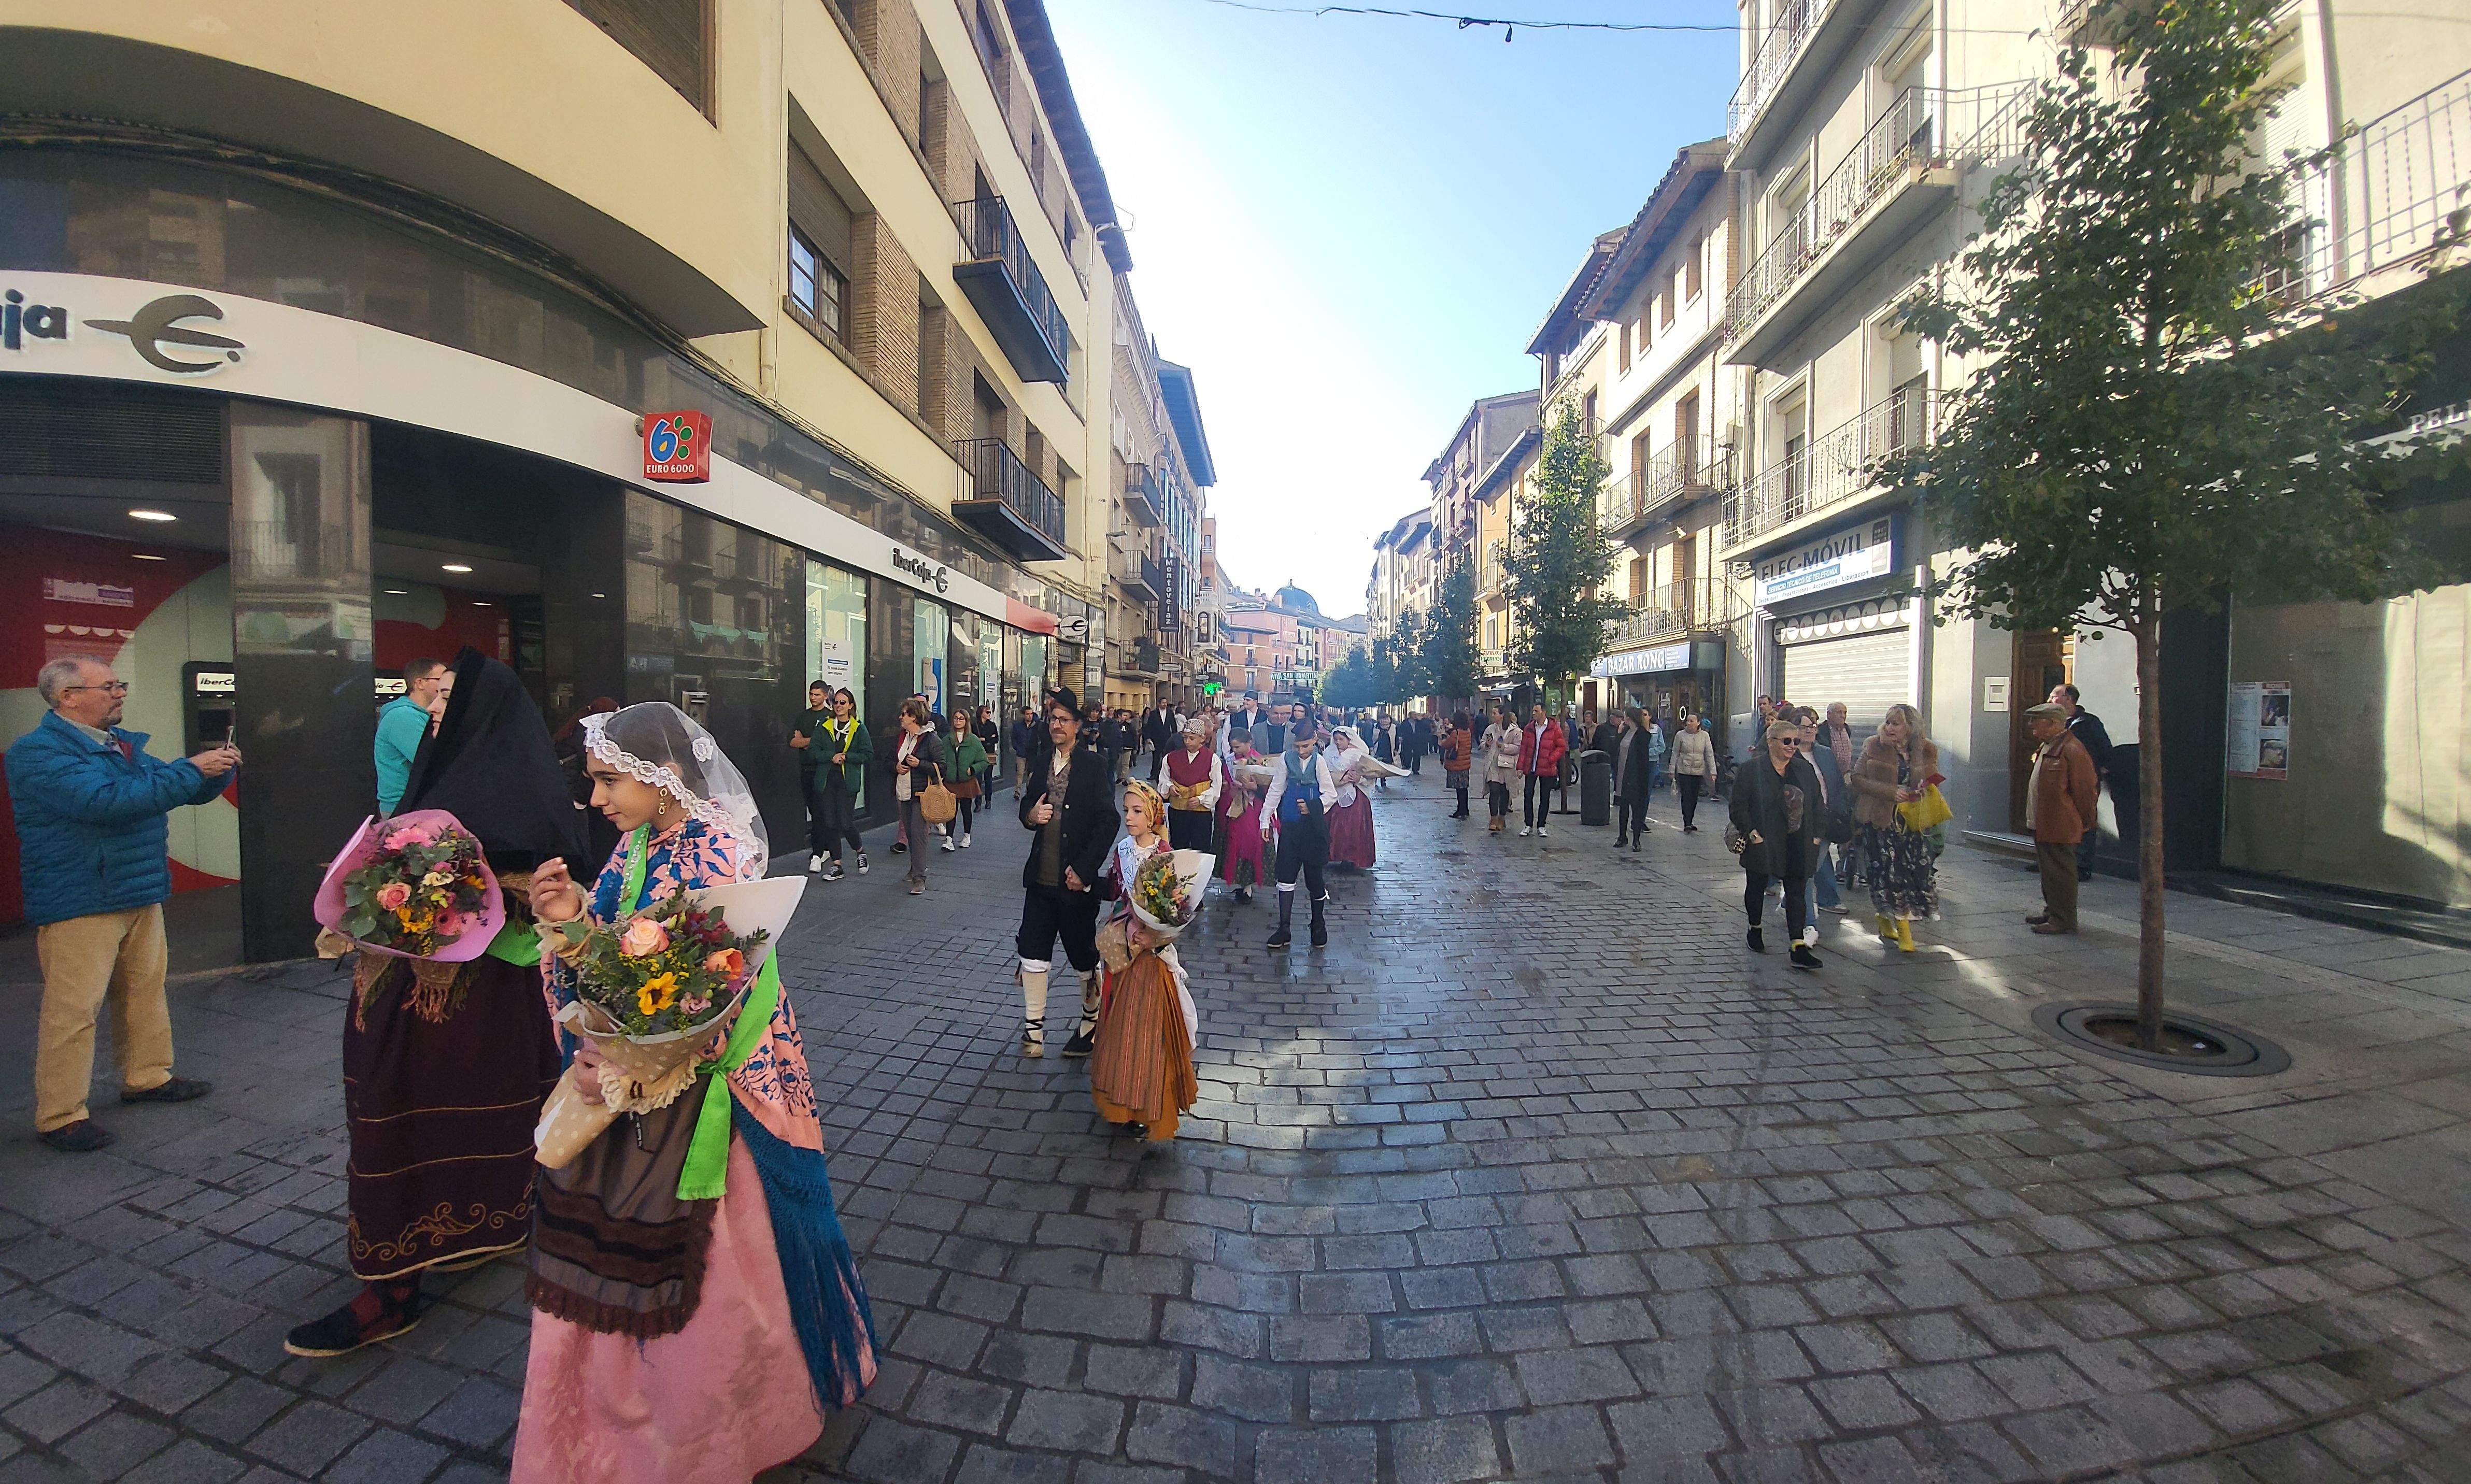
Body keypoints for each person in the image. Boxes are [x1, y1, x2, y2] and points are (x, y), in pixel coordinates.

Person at [517, 702, 876, 1479]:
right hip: (636, 1071)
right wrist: (570, 918)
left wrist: (634, 1038)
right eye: (595, 784)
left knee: (716, 1257)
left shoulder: (717, 854)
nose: (597, 801)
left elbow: (717, 988)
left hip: (708, 1080)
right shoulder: (635, 846)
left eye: (610, 782)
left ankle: (713, 1427)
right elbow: (615, 955)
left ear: (665, 776)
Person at [286, 649, 575, 1358]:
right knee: (393, 1115)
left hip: (478, 1008)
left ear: (484, 712)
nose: (431, 709)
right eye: (433, 696)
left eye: (446, 699)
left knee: (431, 1121)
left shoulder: (526, 788)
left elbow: (552, 892)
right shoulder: (436, 773)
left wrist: (469, 895)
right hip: (401, 999)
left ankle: (395, 1289)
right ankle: (432, 1248)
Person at [8, 657, 231, 1153]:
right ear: (67, 697)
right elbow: (105, 802)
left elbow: (166, 785)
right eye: (108, 686)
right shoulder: (36, 754)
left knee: (144, 992)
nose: (119, 693)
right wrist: (191, 771)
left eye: (119, 684)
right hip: (80, 898)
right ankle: (61, 1115)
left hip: (138, 890)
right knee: (74, 1011)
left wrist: (213, 771)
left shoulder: (121, 744)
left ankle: (148, 1076)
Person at [1088, 783, 1201, 1139]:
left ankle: (1147, 1107)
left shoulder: (1166, 853)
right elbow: (1114, 891)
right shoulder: (1122, 850)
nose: (1130, 818)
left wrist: (1155, 935)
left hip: (1150, 959)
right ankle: (1119, 1102)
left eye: (1138, 811)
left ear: (1153, 815)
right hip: (1122, 950)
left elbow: (1177, 910)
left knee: (1147, 1034)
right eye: (1127, 810)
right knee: (1117, 1029)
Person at [1017, 690, 1117, 1060]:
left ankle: (1090, 1022)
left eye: (1064, 720)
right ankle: (1033, 1030)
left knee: (1081, 955)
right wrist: (1031, 816)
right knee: (1032, 951)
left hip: (1076, 882)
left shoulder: (1094, 766)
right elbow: (1029, 804)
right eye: (1053, 719)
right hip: (1041, 878)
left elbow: (1109, 820)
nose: (1056, 725)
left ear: (1078, 726)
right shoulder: (1042, 760)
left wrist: (1086, 869)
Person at [1729, 719, 1825, 971]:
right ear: (1771, 742)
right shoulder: (1752, 770)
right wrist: (1752, 834)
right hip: (1763, 839)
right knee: (1757, 884)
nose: (1793, 746)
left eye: (1796, 741)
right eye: (1787, 741)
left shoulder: (1803, 770)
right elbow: (1738, 805)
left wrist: (1816, 836)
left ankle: (1798, 946)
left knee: (1796, 892)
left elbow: (1817, 804)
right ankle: (1755, 927)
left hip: (1798, 840)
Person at [1851, 702, 1941, 953]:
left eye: (1896, 723)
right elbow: (1857, 779)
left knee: (1919, 868)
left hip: (1912, 821)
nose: (1889, 728)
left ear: (1911, 727)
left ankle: (1897, 916)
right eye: (1888, 722)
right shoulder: (1873, 745)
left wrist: (1919, 790)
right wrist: (1891, 792)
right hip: (1880, 819)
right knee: (1888, 872)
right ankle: (1898, 925)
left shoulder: (1927, 750)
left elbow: (1932, 780)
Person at [1259, 720, 1340, 949]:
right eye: (1298, 747)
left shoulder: (1320, 762)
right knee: (1285, 877)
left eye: (1306, 746)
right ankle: (1284, 928)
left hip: (1313, 830)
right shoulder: (1287, 760)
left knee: (1315, 880)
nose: (1302, 751)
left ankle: (1318, 924)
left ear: (1315, 740)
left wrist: (1314, 807)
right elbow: (1276, 789)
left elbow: (1330, 794)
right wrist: (1265, 819)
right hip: (1291, 826)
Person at [2025, 702, 2100, 935]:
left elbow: (2086, 790)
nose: (2031, 726)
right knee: (2049, 871)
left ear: (2054, 723)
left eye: (2037, 722)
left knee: (2061, 872)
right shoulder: (2050, 746)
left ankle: (2064, 919)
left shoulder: (2071, 749)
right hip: (2046, 822)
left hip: (2061, 823)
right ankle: (2053, 912)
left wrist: (2086, 820)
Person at [1791, 708, 1849, 943]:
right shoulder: (1788, 754)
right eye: (1805, 727)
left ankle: (1802, 910)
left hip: (1822, 822)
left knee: (1808, 870)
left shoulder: (1824, 754)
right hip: (1797, 825)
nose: (1811, 731)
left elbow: (1835, 786)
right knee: (1807, 870)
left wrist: (1843, 815)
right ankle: (1808, 922)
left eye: (1814, 726)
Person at [2051, 683, 2112, 882]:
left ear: (2069, 699)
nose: (2050, 700)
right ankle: (2056, 862)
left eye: (2055, 696)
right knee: (2057, 820)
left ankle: (2083, 865)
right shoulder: (2055, 723)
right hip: (2059, 780)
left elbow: (2104, 748)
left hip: (2083, 781)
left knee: (2084, 820)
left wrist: (2101, 768)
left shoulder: (2089, 723)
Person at [806, 688, 868, 880]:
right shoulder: (825, 726)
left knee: (846, 821)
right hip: (827, 781)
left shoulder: (858, 728)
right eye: (836, 703)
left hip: (846, 782)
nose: (839, 706)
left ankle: (860, 852)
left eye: (843, 703)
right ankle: (837, 865)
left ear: (851, 705)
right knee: (829, 823)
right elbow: (813, 752)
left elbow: (868, 755)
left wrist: (848, 757)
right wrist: (831, 757)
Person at [375, 657, 446, 815]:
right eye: (441, 680)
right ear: (420, 683)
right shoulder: (403, 716)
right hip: (403, 809)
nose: (446, 686)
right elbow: (434, 760)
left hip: (415, 805)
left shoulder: (422, 715)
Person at [891, 698, 946, 894]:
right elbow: (891, 760)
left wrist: (919, 764)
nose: (901, 717)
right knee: (910, 833)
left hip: (922, 794)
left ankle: (920, 878)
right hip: (903, 791)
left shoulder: (931, 739)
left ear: (914, 717)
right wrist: (896, 767)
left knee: (919, 834)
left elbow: (942, 767)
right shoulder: (902, 737)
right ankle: (915, 868)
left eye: (904, 714)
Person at [1162, 717, 1225, 853]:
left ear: (1202, 738)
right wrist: (1170, 787)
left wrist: (1200, 799)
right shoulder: (1170, 758)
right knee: (1179, 847)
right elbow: (1163, 779)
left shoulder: (1212, 759)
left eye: (1192, 738)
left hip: (1201, 814)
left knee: (1200, 849)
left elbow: (1216, 787)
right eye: (1185, 738)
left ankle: (1200, 875)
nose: (1187, 742)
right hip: (1178, 812)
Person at [1218, 738, 1269, 905]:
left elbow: (1268, 787)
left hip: (1254, 809)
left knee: (1251, 845)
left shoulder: (1260, 760)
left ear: (1250, 743)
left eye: (1238, 746)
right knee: (1235, 845)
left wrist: (1254, 787)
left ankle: (1248, 886)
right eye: (1232, 747)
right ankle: (1242, 882)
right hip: (1235, 806)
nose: (1235, 750)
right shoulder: (1229, 761)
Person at [790, 680, 833, 872]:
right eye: (811, 694)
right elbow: (793, 742)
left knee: (821, 810)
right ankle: (824, 847)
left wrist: (807, 741)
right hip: (806, 769)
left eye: (817, 694)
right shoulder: (803, 716)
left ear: (825, 696)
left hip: (823, 771)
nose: (813, 697)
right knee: (814, 811)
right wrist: (810, 742)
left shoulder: (830, 717)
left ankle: (819, 852)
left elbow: (827, 745)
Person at [1326, 725, 1378, 870]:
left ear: (1349, 740)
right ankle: (1334, 855)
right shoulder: (1328, 753)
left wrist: (1359, 779)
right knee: (1334, 826)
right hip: (1335, 794)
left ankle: (1353, 857)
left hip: (1356, 795)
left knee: (1354, 826)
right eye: (1335, 740)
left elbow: (1371, 775)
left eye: (1341, 739)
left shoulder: (1358, 754)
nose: (1338, 743)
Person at [1516, 703, 1567, 838]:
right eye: (1533, 710)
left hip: (1546, 767)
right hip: (1531, 767)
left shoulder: (1553, 728)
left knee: (1545, 797)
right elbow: (1524, 749)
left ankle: (1541, 826)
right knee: (1528, 795)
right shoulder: (1529, 728)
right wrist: (1520, 767)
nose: (1533, 713)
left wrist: (1551, 759)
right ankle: (1528, 825)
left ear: (1543, 713)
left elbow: (1561, 746)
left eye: (1536, 711)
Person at [1612, 707, 1656, 850]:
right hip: (1622, 775)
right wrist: (1619, 733)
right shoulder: (1625, 732)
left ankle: (1636, 840)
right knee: (1623, 808)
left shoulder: (1642, 734)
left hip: (1636, 777)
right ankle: (1622, 836)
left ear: (1630, 717)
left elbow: (1643, 759)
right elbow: (1617, 750)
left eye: (1625, 715)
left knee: (1636, 809)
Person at [944, 710, 988, 851]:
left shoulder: (973, 740)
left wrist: (972, 769)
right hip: (951, 781)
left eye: (961, 718)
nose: (958, 721)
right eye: (955, 718)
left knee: (966, 809)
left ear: (966, 721)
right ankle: (949, 840)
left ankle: (967, 836)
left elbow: (984, 761)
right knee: (951, 811)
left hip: (966, 781)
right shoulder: (946, 740)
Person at [1479, 703, 1522, 834]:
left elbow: (1519, 748)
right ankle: (1493, 819)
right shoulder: (1490, 729)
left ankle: (1502, 818)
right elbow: (1482, 743)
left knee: (1505, 792)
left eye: (1495, 713)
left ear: (1502, 715)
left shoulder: (1515, 731)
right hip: (1493, 765)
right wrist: (1486, 744)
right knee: (1494, 790)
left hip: (1507, 766)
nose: (1492, 716)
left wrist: (1504, 747)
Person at [1671, 714, 1716, 833]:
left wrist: (1713, 772)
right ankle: (1687, 821)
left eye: (1692, 721)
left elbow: (1709, 754)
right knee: (1686, 796)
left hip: (1698, 770)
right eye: (1688, 721)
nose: (1689, 723)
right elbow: (1675, 753)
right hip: (1684, 770)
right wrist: (1672, 770)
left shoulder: (1704, 736)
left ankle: (1690, 819)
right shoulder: (1680, 735)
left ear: (1698, 723)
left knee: (1694, 797)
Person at [1440, 713, 1474, 819]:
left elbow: (1446, 745)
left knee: (1459, 789)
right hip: (1465, 763)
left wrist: (1444, 736)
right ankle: (1465, 809)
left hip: (1457, 763)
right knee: (1464, 788)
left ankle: (1461, 809)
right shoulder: (1467, 731)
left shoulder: (1456, 733)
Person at [1142, 700, 1177, 785]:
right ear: (1159, 704)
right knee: (1156, 757)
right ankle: (1154, 774)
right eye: (1163, 703)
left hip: (1167, 738)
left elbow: (1173, 724)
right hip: (1156, 738)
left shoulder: (1170, 712)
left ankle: (1167, 773)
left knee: (1167, 757)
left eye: (1166, 703)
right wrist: (1148, 738)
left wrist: (1175, 736)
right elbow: (1149, 726)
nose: (1165, 704)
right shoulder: (1154, 713)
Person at [1011, 706, 1040, 794]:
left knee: (1030, 775)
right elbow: (1014, 738)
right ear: (1024, 715)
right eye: (1028, 714)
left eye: (1031, 714)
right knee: (1020, 773)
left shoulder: (1036, 726)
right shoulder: (1018, 726)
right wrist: (1017, 747)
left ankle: (1029, 792)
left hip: (1032, 754)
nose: (1030, 716)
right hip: (1021, 753)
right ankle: (1018, 791)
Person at [974, 704, 1002, 797]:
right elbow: (974, 739)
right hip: (977, 755)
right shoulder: (975, 725)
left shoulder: (992, 725)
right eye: (987, 712)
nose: (989, 714)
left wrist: (985, 739)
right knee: (978, 778)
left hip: (989, 753)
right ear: (981, 713)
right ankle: (978, 802)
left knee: (988, 778)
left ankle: (988, 800)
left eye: (990, 712)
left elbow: (996, 739)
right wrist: (989, 738)